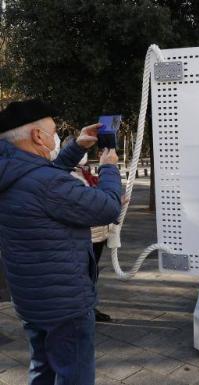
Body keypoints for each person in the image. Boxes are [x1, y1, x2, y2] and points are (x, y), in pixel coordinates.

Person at [0, 99, 121, 385]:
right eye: (53, 131)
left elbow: (41, 173)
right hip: (65, 303)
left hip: (31, 297)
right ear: (37, 136)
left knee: (42, 365)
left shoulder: (11, 171)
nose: (56, 136)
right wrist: (109, 169)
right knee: (73, 373)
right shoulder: (47, 184)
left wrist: (78, 146)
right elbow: (107, 207)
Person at [64, 137, 113, 322]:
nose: (83, 155)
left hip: (98, 233)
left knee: (92, 272)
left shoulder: (85, 172)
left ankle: (91, 306)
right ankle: (84, 309)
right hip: (85, 234)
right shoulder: (67, 174)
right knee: (82, 274)